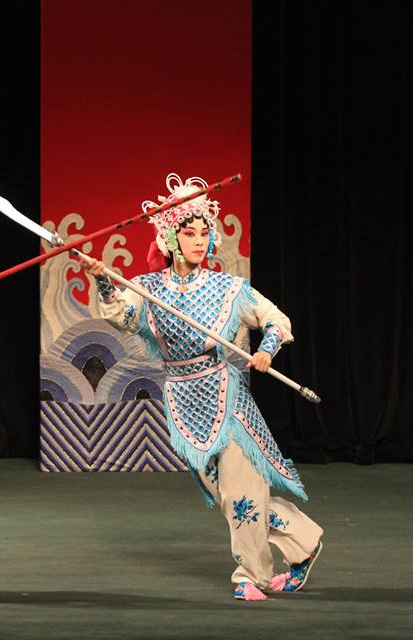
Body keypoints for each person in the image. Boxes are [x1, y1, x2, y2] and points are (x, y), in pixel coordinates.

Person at [84, 174, 323, 601]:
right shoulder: (148, 289)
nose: (199, 240)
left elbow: (276, 320)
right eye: (189, 233)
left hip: (226, 396)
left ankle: (251, 575)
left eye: (203, 232)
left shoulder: (228, 289)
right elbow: (122, 316)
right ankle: (304, 543)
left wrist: (266, 350)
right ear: (170, 239)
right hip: (182, 399)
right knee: (232, 496)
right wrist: (103, 279)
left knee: (242, 492)